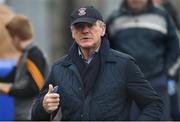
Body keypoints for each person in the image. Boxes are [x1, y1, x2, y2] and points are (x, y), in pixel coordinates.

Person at [31, 6, 163, 121]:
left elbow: (153, 104)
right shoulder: (59, 68)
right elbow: (36, 116)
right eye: (79, 26)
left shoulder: (124, 64)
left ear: (103, 29)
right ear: (72, 32)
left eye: (91, 25)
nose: (85, 31)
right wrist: (44, 106)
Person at [106, 0, 180, 120]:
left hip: (157, 83)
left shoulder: (162, 16)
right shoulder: (114, 19)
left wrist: (169, 74)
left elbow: (175, 47)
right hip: (125, 86)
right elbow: (105, 50)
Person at [0, 15, 49, 120]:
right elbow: (13, 75)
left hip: (30, 116)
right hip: (22, 115)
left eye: (11, 38)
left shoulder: (34, 55)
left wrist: (8, 90)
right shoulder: (25, 54)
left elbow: (36, 88)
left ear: (16, 38)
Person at [153, 0, 180, 120]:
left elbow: (176, 52)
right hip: (158, 74)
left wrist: (169, 72)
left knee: (172, 109)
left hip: (168, 76)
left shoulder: (166, 14)